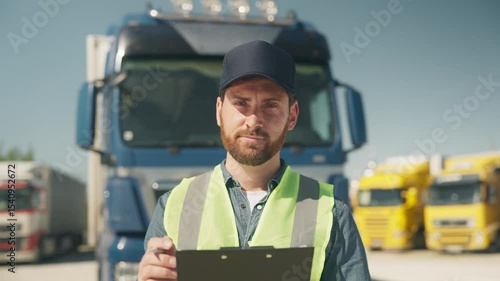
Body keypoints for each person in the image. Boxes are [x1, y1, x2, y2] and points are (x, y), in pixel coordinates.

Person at [138, 40, 371, 281]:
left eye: (270, 105)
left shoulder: (332, 212)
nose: (253, 121)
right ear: (219, 110)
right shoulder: (173, 204)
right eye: (241, 103)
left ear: (292, 116)